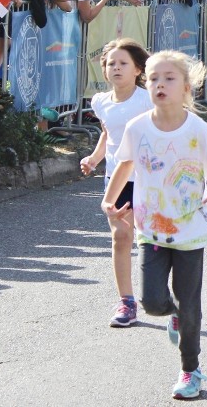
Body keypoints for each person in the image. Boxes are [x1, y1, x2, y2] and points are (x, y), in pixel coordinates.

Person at [101, 50, 207, 400]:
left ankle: (190, 369)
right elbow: (125, 165)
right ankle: (172, 314)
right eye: (153, 79)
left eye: (169, 78)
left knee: (191, 304)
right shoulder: (138, 126)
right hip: (152, 231)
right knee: (152, 301)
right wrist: (109, 199)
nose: (159, 84)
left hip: (190, 232)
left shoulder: (198, 129)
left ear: (186, 87)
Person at [82, 38, 154, 327]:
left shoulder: (148, 98)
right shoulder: (100, 102)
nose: (116, 68)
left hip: (150, 179)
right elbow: (108, 135)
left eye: (123, 63)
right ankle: (126, 302)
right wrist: (94, 157)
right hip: (117, 180)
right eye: (111, 63)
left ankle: (168, 294)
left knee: (150, 241)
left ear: (137, 69)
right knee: (121, 237)